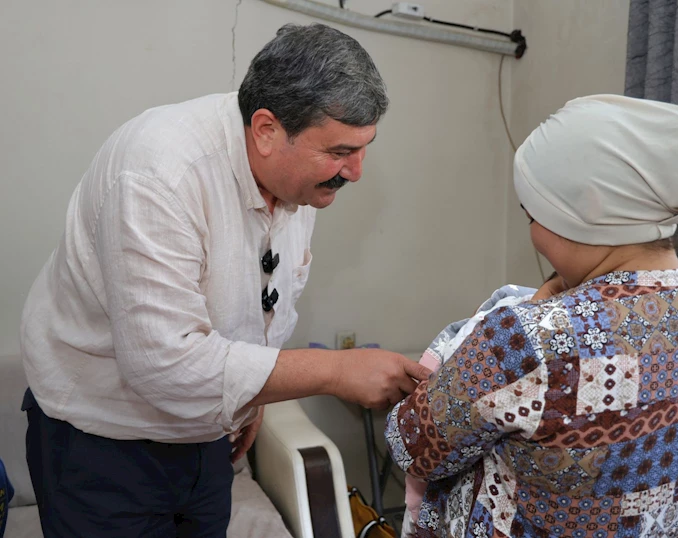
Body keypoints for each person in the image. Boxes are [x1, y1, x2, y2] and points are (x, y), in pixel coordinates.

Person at [20, 23, 430, 537]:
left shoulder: (296, 180)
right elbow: (164, 363)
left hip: (209, 440)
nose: (355, 171)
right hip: (104, 447)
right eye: (339, 152)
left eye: (364, 148)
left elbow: (267, 303)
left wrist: (251, 400)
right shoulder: (158, 174)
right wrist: (335, 371)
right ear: (266, 130)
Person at [386, 94, 678, 538]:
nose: (533, 234)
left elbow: (410, 444)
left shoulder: (526, 337)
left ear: (584, 210)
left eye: (532, 215)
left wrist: (526, 318)